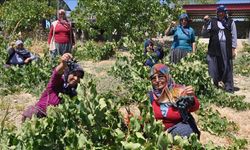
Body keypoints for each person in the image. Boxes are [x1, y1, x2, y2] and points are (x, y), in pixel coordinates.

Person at [22, 53, 84, 121]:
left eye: (79, 77)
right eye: (74, 74)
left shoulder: (73, 92)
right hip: (40, 112)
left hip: (54, 120)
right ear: (67, 73)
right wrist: (63, 64)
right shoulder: (58, 82)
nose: (76, 78)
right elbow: (57, 72)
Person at [148, 64, 200, 138]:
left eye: (160, 77)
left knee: (187, 132)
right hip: (158, 133)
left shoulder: (179, 90)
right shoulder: (150, 96)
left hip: (178, 128)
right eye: (153, 78)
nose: (157, 80)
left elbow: (195, 108)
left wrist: (191, 98)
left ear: (167, 76)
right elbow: (145, 117)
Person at [202, 5, 237, 93]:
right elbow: (205, 33)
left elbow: (234, 36)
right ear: (217, 13)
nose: (220, 14)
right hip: (214, 47)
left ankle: (228, 86)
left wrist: (233, 48)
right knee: (213, 66)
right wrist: (206, 23)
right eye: (219, 12)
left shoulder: (230, 22)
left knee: (227, 65)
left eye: (222, 12)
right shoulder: (212, 21)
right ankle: (214, 85)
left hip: (226, 47)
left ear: (225, 13)